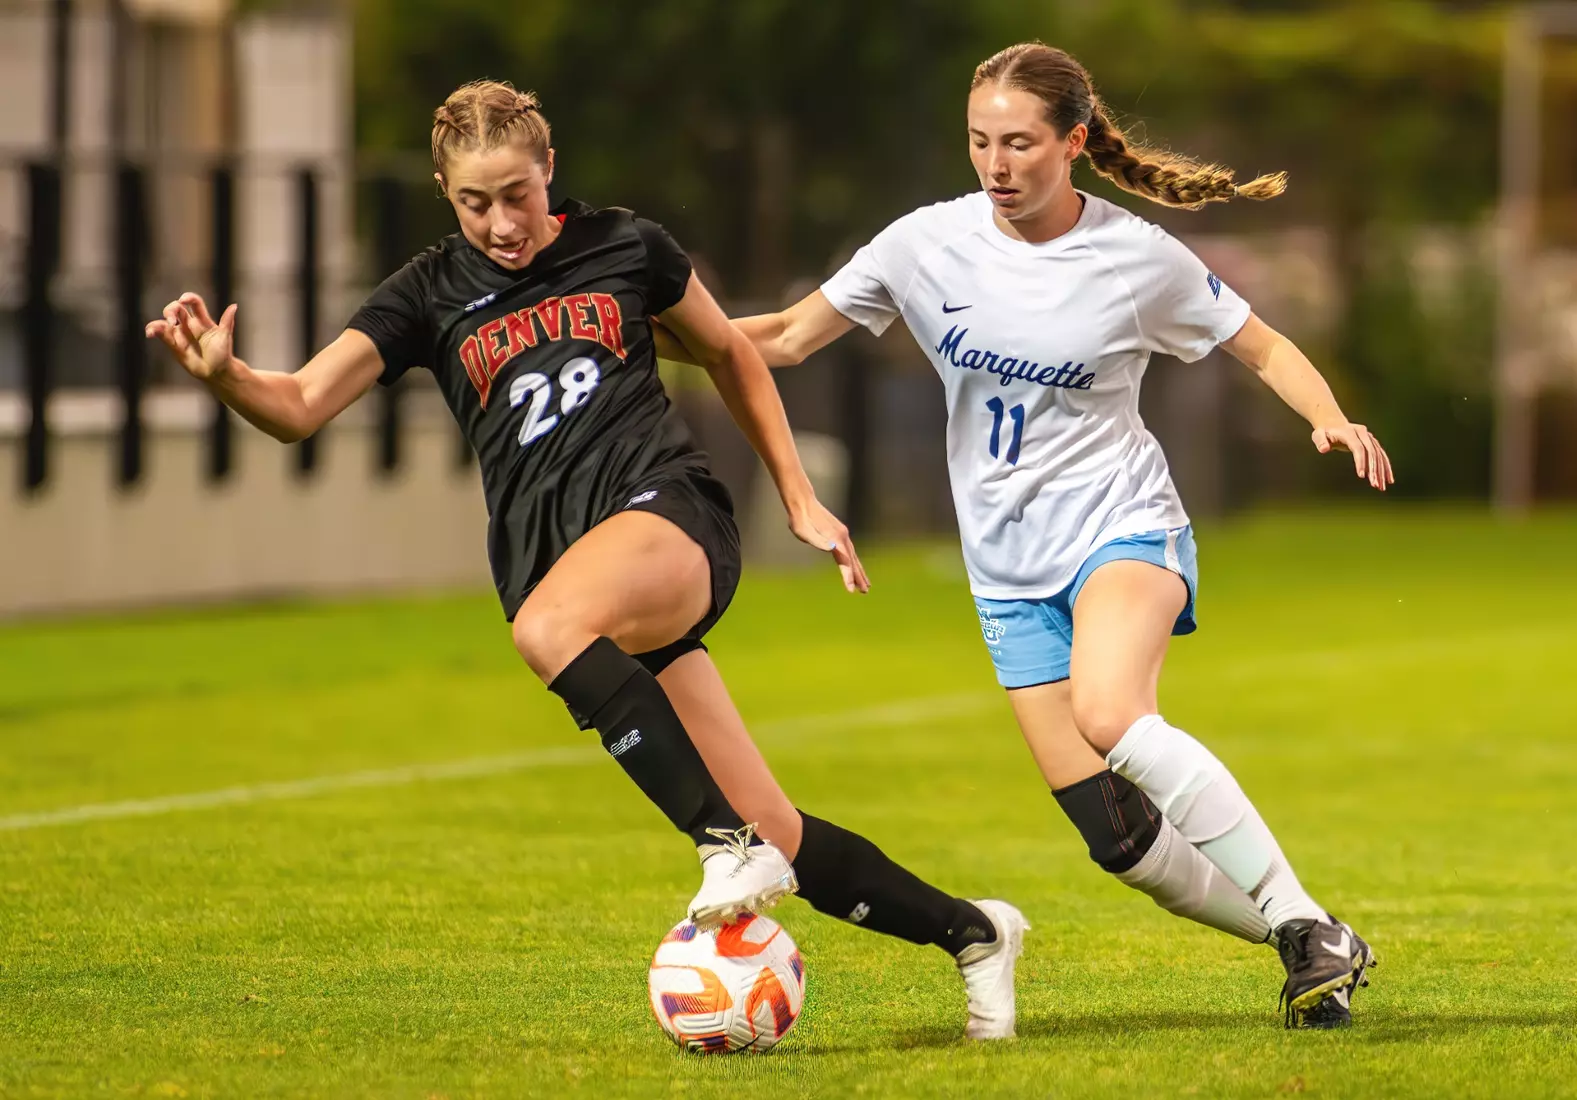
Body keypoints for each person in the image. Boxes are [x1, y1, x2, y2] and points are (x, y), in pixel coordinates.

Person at [145, 80, 1026, 1039]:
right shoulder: (427, 293)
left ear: (549, 169)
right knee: (784, 834)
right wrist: (228, 376)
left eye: (516, 193)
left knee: (553, 633)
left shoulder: (626, 245)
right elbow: (301, 405)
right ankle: (975, 933)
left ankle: (723, 846)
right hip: (566, 573)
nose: (501, 221)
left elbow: (731, 353)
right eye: (474, 201)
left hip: (669, 518)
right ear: (445, 190)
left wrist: (800, 497)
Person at [661, 43, 1389, 1028]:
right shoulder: (926, 244)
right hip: (1006, 568)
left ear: (1074, 143)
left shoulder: (1135, 256)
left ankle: (1301, 915)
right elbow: (783, 336)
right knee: (1117, 837)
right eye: (979, 142)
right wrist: (626, 321)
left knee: (1110, 711)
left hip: (1122, 525)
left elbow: (1259, 341)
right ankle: (1307, 935)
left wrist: (1328, 414)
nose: (996, 164)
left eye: (1019, 143)